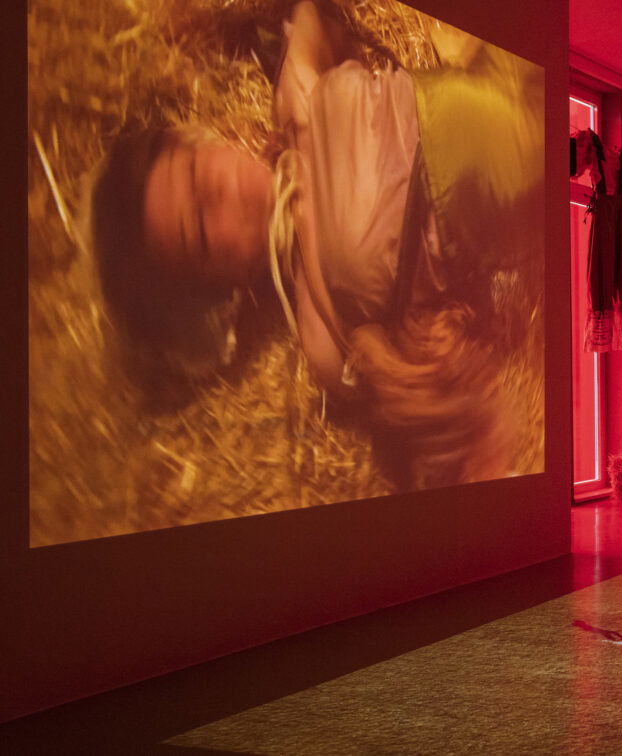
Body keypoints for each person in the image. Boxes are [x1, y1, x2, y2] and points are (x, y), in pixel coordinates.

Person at [90, 0, 543, 489]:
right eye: (199, 227)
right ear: (220, 291)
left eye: (195, 167)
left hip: (511, 69)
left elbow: (315, 14)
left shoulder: (293, 103)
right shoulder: (323, 331)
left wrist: (272, 35)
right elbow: (434, 419)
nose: (216, 187)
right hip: (531, 171)